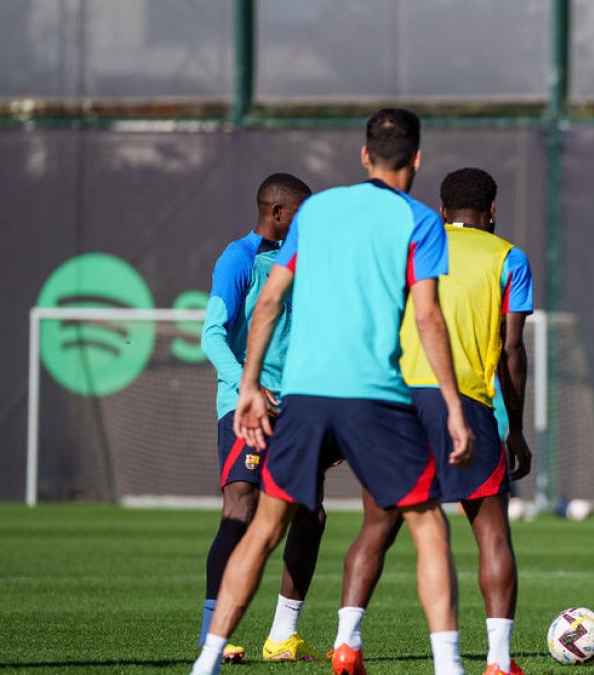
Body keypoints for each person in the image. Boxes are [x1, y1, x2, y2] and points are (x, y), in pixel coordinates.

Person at [190, 108, 475, 675]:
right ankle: (449, 666)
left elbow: (269, 302)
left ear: (363, 155)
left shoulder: (316, 212)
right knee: (427, 524)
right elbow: (428, 320)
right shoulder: (420, 222)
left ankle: (208, 661)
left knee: (269, 525)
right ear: (416, 160)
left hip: (303, 396)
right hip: (373, 395)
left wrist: (246, 385)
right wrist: (451, 404)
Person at [335, 167, 535, 675]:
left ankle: (346, 645)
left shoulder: (412, 246)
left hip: (393, 401)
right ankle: (498, 661)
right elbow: (512, 350)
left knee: (377, 526)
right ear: (492, 211)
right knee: (491, 533)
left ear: (442, 212)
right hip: (462, 400)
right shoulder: (508, 257)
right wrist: (515, 429)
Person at [198, 173, 324, 663]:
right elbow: (212, 334)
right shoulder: (239, 259)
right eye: (300, 215)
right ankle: (215, 636)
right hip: (244, 406)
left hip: (297, 410)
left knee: (310, 515)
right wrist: (249, 387)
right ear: (276, 214)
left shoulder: (302, 263)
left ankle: (282, 637)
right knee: (242, 507)